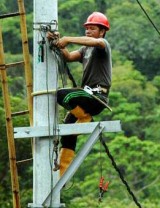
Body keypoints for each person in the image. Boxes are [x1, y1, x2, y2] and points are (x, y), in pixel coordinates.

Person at [47, 12, 112, 177]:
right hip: (85, 96)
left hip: (97, 97)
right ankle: (61, 173)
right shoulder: (85, 49)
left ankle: (85, 117)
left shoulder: (102, 44)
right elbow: (68, 57)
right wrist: (57, 42)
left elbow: (96, 42)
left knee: (63, 95)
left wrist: (68, 38)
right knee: (68, 130)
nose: (88, 31)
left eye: (92, 28)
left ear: (102, 31)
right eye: (87, 28)